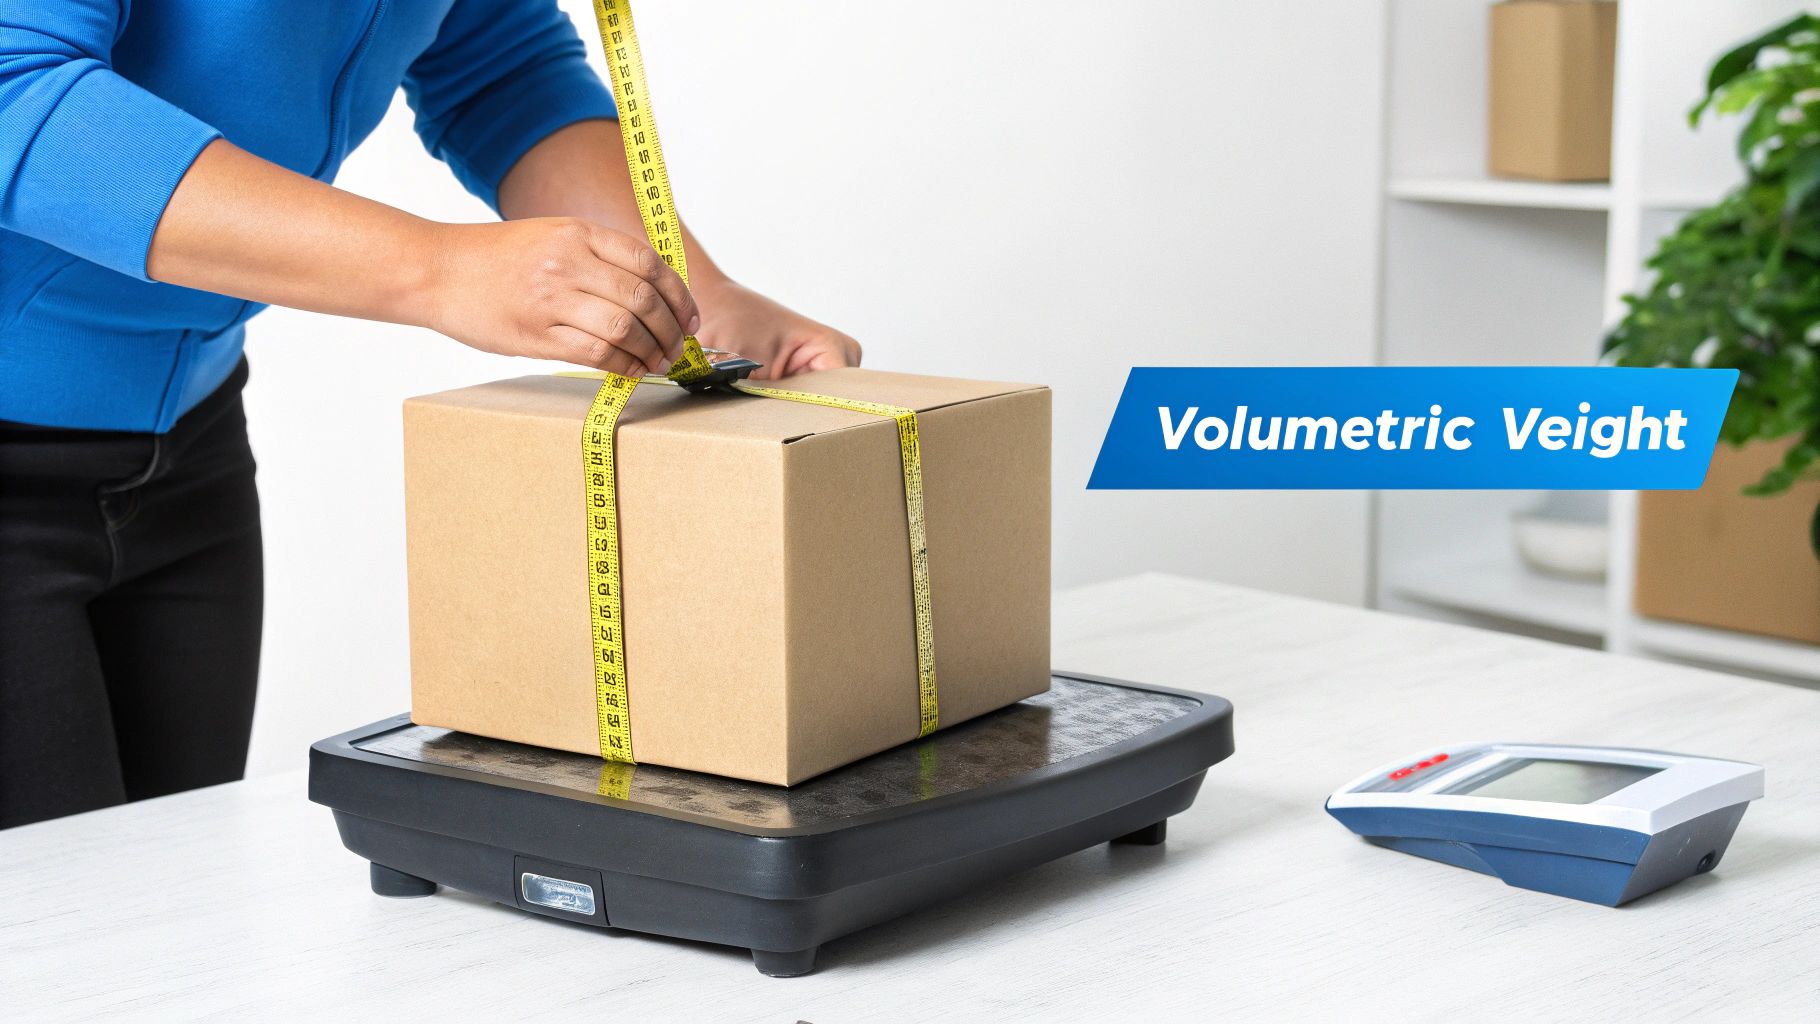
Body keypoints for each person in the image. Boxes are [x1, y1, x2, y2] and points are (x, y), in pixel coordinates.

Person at [0, 1, 860, 829]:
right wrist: (440, 270)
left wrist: (696, 301)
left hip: (189, 448)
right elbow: (15, 87)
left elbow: (502, 67)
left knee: (160, 891)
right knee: (53, 909)